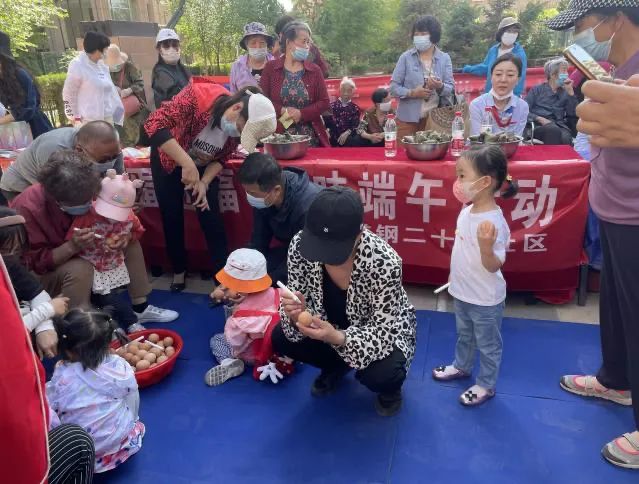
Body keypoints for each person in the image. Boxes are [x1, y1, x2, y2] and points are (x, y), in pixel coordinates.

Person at [547, 0, 639, 470]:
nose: (579, 38)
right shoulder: (615, 74)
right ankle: (616, 378)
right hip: (615, 208)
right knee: (618, 308)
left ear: (616, 19)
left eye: (584, 26)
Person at [274, 186, 417, 417]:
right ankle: (335, 366)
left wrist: (338, 337)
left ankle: (390, 390)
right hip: (325, 321)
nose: (323, 257)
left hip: (380, 329)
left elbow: (382, 333)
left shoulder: (385, 262)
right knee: (281, 337)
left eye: (333, 250)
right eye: (318, 246)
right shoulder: (300, 245)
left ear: (360, 234)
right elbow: (298, 296)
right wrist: (294, 313)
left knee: (383, 374)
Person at [11, 149, 178, 323]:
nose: (88, 206)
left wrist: (124, 235)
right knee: (79, 268)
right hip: (47, 270)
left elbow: (111, 218)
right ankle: (78, 324)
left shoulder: (89, 186)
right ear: (56, 199)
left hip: (87, 250)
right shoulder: (28, 209)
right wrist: (71, 247)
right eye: (79, 204)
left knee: (130, 242)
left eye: (90, 199)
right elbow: (31, 266)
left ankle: (140, 307)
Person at [145, 81, 276, 292]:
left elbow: (222, 158)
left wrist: (204, 182)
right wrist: (187, 163)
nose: (237, 135)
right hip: (168, 156)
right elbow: (155, 124)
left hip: (202, 167)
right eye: (240, 128)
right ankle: (179, 269)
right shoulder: (198, 97)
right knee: (171, 214)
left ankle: (221, 277)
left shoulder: (234, 134)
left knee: (211, 216)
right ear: (236, 108)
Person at [432, 145, 518, 406]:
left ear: (484, 182)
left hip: (485, 299)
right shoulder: (467, 210)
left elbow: (493, 266)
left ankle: (486, 384)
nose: (457, 182)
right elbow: (462, 249)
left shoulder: (493, 223)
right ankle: (462, 366)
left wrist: (486, 248)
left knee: (488, 344)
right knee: (465, 335)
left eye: (462, 176)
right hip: (463, 291)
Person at [0, 255, 96, 484]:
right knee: (78, 442)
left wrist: (43, 326)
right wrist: (45, 313)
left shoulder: (8, 266)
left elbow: (35, 292)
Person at [47, 308, 145, 473]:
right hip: (119, 442)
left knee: (50, 400)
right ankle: (132, 424)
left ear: (67, 349)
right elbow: (129, 389)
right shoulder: (118, 366)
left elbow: (54, 404)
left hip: (84, 452)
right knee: (131, 389)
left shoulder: (63, 375)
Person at [67, 170, 147, 334]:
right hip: (89, 265)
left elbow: (138, 231)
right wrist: (80, 241)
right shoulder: (87, 216)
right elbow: (71, 238)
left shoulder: (130, 218)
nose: (113, 218)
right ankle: (120, 325)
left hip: (112, 263)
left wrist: (127, 238)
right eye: (109, 210)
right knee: (103, 297)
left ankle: (121, 324)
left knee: (107, 297)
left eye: (119, 213)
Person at [206, 248, 293, 386]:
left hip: (256, 353)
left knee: (217, 339)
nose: (225, 290)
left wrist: (231, 313)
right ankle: (287, 359)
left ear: (239, 292)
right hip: (280, 349)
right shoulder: (279, 293)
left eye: (228, 286)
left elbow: (236, 342)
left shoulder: (240, 317)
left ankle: (228, 362)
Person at [238, 152, 321, 285]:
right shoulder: (264, 198)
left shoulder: (306, 208)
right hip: (289, 249)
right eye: (247, 192)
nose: (249, 197)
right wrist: (242, 274)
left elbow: (302, 260)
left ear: (276, 190)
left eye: (252, 193)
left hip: (316, 256)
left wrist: (261, 284)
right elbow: (259, 241)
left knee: (274, 280)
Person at [0, 207, 68, 358]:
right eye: (4, 250)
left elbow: (37, 294)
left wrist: (44, 328)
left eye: (17, 249)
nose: (11, 256)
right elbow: (6, 334)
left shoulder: (11, 265)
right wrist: (47, 310)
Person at [0, 121, 124, 201]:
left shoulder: (109, 149)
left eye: (115, 156)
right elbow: (58, 194)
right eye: (104, 159)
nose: (111, 162)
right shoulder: (52, 150)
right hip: (19, 186)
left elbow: (117, 182)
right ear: (79, 150)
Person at [260, 21, 330, 147]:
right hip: (278, 137)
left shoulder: (314, 70)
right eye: (304, 41)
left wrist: (301, 114)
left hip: (310, 139)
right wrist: (282, 110)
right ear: (288, 42)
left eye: (308, 42)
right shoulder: (271, 68)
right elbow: (262, 100)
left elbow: (324, 102)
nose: (307, 46)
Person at [390, 15, 454, 143]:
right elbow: (393, 88)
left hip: (434, 120)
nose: (419, 37)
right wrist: (412, 93)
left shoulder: (444, 58)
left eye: (423, 34)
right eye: (416, 34)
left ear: (433, 35)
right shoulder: (406, 57)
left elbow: (451, 88)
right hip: (407, 120)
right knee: (403, 153)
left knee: (433, 153)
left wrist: (439, 86)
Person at [63, 31, 124, 128]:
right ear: (96, 49)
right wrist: (74, 117)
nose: (106, 51)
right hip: (88, 120)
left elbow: (110, 90)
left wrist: (118, 112)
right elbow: (69, 94)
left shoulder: (102, 65)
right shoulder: (77, 65)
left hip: (107, 117)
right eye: (105, 48)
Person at [0, 31, 52, 138]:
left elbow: (28, 109)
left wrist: (3, 120)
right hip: (10, 135)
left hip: (36, 131)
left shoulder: (20, 74)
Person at [462, 17, 528, 97]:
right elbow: (486, 68)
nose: (512, 34)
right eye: (508, 31)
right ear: (501, 32)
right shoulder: (493, 50)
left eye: (515, 32)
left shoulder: (519, 54)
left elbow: (519, 80)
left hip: (509, 98)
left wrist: (511, 100)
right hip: (490, 95)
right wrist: (467, 69)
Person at [469, 54, 529, 137]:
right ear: (491, 77)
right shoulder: (477, 105)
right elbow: (476, 139)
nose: (503, 80)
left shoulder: (522, 106)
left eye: (510, 75)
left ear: (518, 80)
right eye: (498, 74)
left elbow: (516, 139)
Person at [105, 44, 150, 147]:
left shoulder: (129, 67)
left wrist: (129, 90)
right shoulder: (104, 70)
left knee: (135, 134)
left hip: (131, 106)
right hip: (115, 106)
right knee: (119, 131)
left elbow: (140, 83)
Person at [525, 58, 577, 145]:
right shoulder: (537, 90)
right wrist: (539, 118)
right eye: (564, 71)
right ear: (553, 75)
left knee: (565, 138)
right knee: (553, 130)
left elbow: (573, 114)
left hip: (559, 125)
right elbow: (524, 110)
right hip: (538, 126)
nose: (567, 74)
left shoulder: (565, 92)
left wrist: (571, 94)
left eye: (567, 71)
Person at [230, 22, 275, 93]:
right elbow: (233, 94)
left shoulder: (276, 65)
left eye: (262, 42)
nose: (258, 46)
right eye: (253, 43)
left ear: (267, 44)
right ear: (246, 46)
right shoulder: (237, 67)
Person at [152, 28, 191, 108]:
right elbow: (175, 98)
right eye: (166, 45)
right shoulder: (160, 73)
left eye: (174, 45)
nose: (171, 49)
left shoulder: (183, 69)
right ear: (159, 49)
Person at [326, 77, 361, 147]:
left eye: (349, 91)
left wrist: (347, 132)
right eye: (343, 90)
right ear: (339, 91)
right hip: (332, 138)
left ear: (353, 92)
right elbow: (326, 123)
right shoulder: (331, 106)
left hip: (348, 139)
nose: (346, 93)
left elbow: (355, 125)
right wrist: (326, 130)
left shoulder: (355, 108)